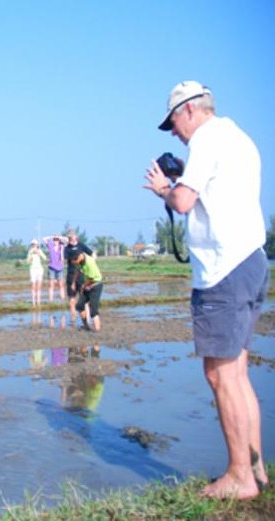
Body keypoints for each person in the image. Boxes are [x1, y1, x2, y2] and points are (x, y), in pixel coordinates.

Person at [144, 81, 269, 499]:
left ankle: (239, 477)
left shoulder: (207, 140)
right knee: (237, 372)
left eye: (174, 122)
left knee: (220, 374)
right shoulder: (240, 138)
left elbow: (183, 203)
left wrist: (165, 188)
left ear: (191, 110)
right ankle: (255, 469)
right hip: (251, 259)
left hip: (223, 269)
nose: (174, 131)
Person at [63, 229, 93, 323]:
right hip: (71, 276)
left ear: (76, 236)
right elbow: (64, 258)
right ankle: (73, 321)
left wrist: (90, 266)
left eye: (72, 237)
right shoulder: (66, 248)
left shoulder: (81, 245)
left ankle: (87, 320)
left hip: (82, 275)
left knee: (84, 299)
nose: (71, 239)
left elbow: (92, 254)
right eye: (69, 237)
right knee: (72, 300)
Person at [70, 252, 103, 331]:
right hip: (87, 285)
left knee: (93, 310)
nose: (76, 263)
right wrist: (74, 282)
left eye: (76, 261)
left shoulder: (89, 263)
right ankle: (86, 326)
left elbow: (92, 279)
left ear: (80, 256)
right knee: (79, 306)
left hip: (95, 285)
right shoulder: (80, 260)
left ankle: (97, 331)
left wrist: (83, 286)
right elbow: (78, 271)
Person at [42, 234, 66, 302]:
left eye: (57, 240)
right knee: (51, 285)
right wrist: (52, 236)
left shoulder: (61, 247)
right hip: (51, 267)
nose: (55, 241)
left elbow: (66, 240)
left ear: (59, 240)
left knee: (61, 285)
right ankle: (51, 300)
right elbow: (44, 239)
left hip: (60, 268)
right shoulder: (50, 246)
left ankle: (62, 300)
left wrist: (59, 237)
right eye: (54, 240)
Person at [25, 239, 46, 307]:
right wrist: (31, 254)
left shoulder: (39, 251)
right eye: (32, 245)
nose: (34, 246)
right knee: (33, 285)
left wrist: (39, 252)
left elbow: (45, 258)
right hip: (32, 270)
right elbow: (27, 261)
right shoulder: (30, 251)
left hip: (39, 269)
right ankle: (33, 302)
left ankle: (39, 302)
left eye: (35, 244)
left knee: (39, 286)